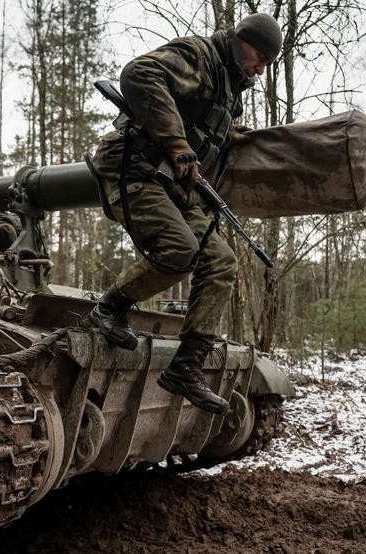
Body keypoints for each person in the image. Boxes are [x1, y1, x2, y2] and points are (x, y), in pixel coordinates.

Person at [89, 13, 283, 414]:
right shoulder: (201, 56)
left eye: (267, 61)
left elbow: (206, 129)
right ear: (239, 41)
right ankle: (109, 308)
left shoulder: (231, 92)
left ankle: (186, 367)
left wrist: (228, 140)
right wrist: (177, 143)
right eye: (258, 54)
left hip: (176, 185)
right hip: (135, 166)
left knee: (221, 262)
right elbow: (140, 74)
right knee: (180, 251)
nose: (261, 67)